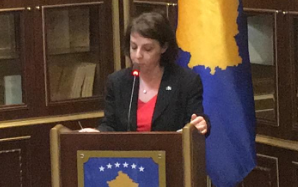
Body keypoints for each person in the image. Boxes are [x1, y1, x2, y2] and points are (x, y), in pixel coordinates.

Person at [81, 12, 209, 135]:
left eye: (147, 49)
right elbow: (109, 125)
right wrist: (98, 133)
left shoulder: (186, 81)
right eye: (133, 47)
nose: (138, 55)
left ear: (163, 47)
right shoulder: (117, 82)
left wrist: (201, 124)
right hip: (127, 151)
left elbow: (195, 123)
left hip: (170, 150)